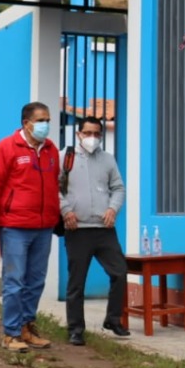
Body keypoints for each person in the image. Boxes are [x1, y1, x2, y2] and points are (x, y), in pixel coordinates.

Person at [0, 102, 62, 352]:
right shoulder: (6, 148)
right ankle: (11, 332)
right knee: (14, 280)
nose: (45, 125)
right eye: (41, 120)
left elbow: (54, 185)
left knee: (36, 280)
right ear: (26, 123)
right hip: (15, 225)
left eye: (48, 119)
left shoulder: (51, 150)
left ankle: (28, 326)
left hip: (43, 226)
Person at [60, 116, 130, 346]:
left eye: (96, 134)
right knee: (77, 282)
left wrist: (113, 209)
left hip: (104, 229)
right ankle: (75, 330)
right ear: (78, 134)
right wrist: (65, 210)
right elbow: (52, 188)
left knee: (119, 272)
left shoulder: (108, 160)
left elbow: (118, 188)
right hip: (77, 229)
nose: (92, 138)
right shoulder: (65, 157)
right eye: (87, 133)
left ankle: (113, 319)